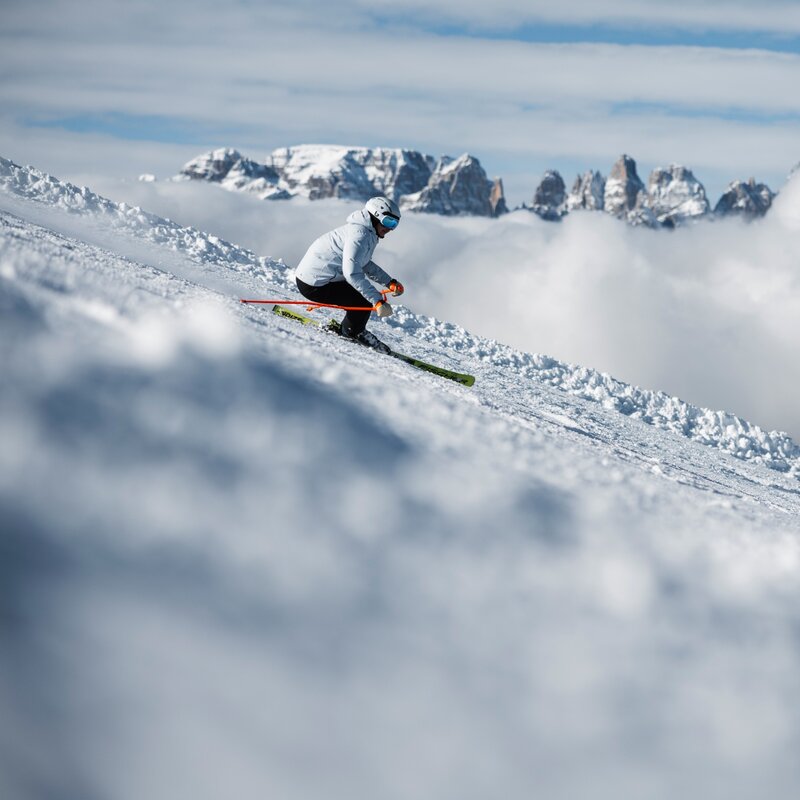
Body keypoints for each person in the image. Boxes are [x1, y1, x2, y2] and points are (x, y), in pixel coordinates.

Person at [294, 196, 405, 353]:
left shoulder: (367, 232)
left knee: (360, 294)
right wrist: (377, 301)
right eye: (388, 222)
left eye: (394, 224)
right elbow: (352, 273)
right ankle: (353, 332)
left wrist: (389, 282)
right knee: (362, 301)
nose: (390, 228)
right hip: (313, 285)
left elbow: (363, 263)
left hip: (315, 278)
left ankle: (351, 328)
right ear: (375, 216)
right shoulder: (360, 235)